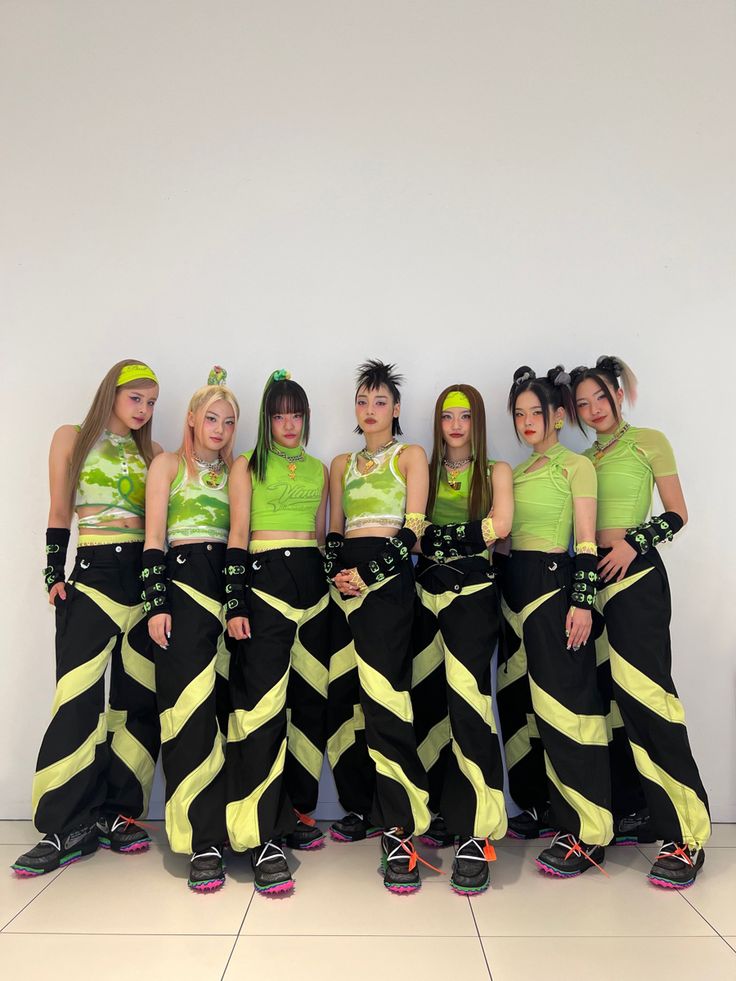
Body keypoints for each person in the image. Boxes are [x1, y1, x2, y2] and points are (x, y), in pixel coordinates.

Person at [13, 360, 162, 876]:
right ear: (112, 394)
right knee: (76, 702)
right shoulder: (71, 437)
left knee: (137, 702)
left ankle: (116, 814)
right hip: (92, 577)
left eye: (151, 403)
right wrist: (54, 572)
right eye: (135, 398)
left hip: (143, 584)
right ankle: (65, 826)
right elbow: (59, 511)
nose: (143, 411)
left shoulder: (156, 455)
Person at [571, 355, 710, 888]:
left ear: (618, 394)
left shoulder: (648, 440)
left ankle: (689, 834)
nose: (593, 409)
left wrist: (635, 541)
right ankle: (637, 810)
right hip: (592, 579)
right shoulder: (582, 458)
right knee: (608, 702)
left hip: (636, 578)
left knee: (650, 698)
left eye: (600, 398)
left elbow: (677, 513)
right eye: (582, 403)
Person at [497, 366, 613, 877]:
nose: (526, 421)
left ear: (558, 416)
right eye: (518, 414)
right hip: (510, 590)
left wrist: (582, 600)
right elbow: (501, 537)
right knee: (520, 707)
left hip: (554, 585)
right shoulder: (515, 472)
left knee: (568, 709)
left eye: (535, 413)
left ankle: (588, 832)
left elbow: (584, 539)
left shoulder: (575, 467)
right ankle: (542, 808)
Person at [324, 359, 431, 894]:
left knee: (388, 702)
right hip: (344, 587)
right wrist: (340, 575)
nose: (370, 411)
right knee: (348, 699)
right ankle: (364, 806)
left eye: (380, 402)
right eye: (363, 402)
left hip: (386, 584)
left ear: (395, 409)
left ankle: (402, 829)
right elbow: (334, 532)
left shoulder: (411, 456)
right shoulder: (340, 463)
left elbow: (412, 532)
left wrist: (367, 575)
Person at [225, 370, 330, 896]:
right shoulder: (248, 464)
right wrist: (235, 599)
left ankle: (296, 813)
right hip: (263, 583)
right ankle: (259, 834)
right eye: (279, 415)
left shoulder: (318, 467)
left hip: (314, 588)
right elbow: (238, 533)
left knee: (309, 705)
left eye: (296, 415)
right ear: (267, 421)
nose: (289, 425)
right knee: (260, 707)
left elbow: (320, 533)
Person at [411, 384, 513, 894]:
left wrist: (440, 536)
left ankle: (478, 832)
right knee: (430, 706)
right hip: (423, 594)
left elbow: (500, 527)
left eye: (465, 416)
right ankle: (442, 812)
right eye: (447, 416)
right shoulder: (421, 471)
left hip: (472, 595)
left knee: (471, 706)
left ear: (477, 421)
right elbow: (412, 533)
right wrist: (462, 534)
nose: (455, 425)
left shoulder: (495, 471)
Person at [143, 367, 239, 892]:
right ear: (193, 419)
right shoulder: (167, 465)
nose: (219, 428)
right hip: (180, 594)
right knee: (188, 716)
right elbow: (153, 537)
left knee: (230, 711)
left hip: (227, 593)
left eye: (228, 420)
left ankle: (231, 830)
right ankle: (199, 839)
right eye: (211, 418)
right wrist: (157, 603)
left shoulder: (236, 473)